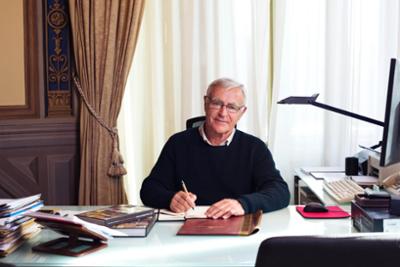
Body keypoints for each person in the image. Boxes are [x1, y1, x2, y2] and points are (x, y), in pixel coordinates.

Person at [140, 78, 290, 219]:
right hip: (187, 229)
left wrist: (243, 204)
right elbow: (149, 189)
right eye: (217, 104)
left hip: (238, 231)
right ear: (205, 103)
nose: (223, 113)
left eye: (231, 107)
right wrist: (170, 199)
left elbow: (280, 191)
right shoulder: (178, 143)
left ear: (241, 112)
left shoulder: (254, 147)